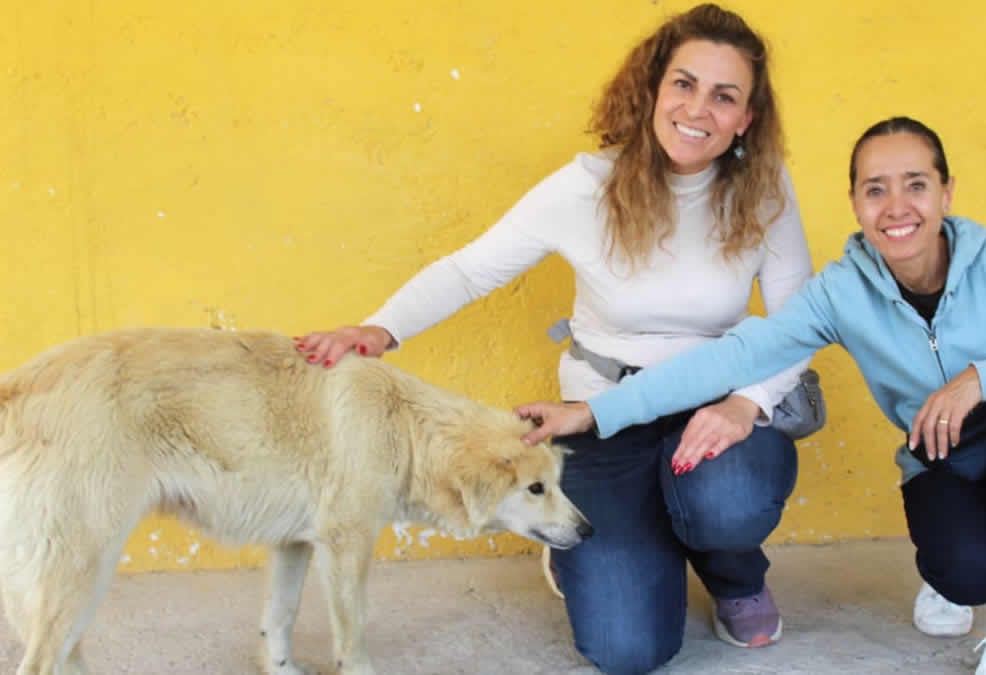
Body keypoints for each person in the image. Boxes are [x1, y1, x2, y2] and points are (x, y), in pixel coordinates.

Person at [296, 4, 816, 673]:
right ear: (654, 88)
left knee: (727, 500)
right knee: (628, 648)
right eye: (684, 84)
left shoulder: (766, 190)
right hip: (601, 414)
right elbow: (469, 268)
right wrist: (380, 328)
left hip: (716, 411)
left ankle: (732, 569)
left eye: (725, 96)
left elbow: (799, 320)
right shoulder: (584, 188)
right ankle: (622, 537)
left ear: (747, 117)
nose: (698, 109)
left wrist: (747, 403)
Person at [518, 116, 986, 675]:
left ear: (946, 192)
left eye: (915, 184)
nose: (896, 207)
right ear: (856, 204)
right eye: (875, 189)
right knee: (969, 574)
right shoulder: (841, 291)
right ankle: (953, 576)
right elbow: (732, 358)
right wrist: (593, 412)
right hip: (941, 461)